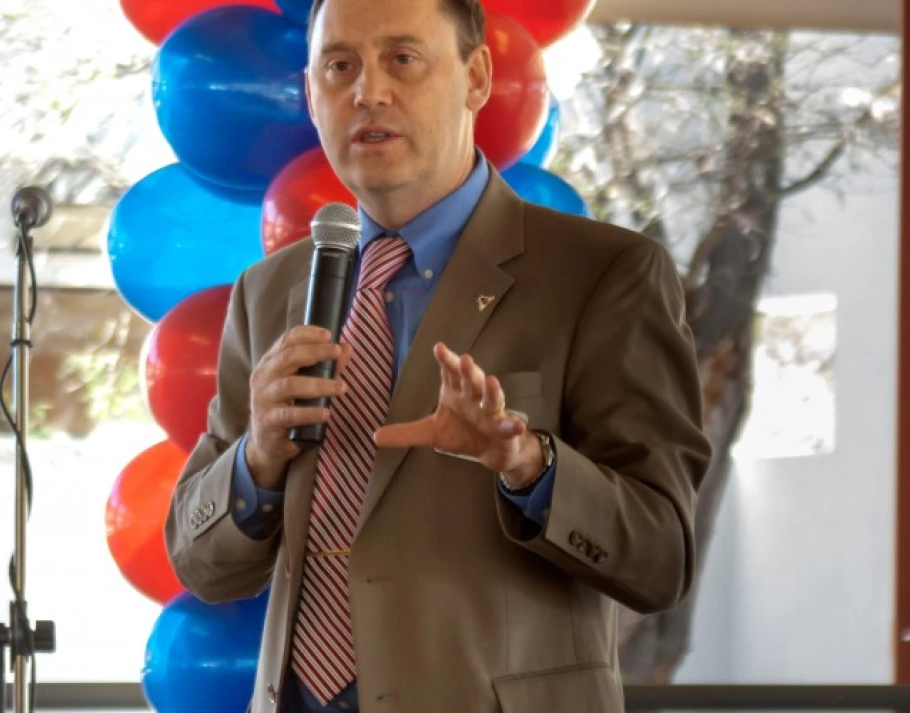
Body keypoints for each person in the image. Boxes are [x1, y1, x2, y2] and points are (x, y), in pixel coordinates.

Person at [164, 0, 711, 710]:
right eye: (339, 66)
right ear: (310, 93)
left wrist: (530, 465)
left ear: (476, 76)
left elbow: (662, 556)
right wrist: (257, 458)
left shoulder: (603, 273)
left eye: (403, 58)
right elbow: (198, 561)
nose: (369, 92)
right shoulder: (268, 292)